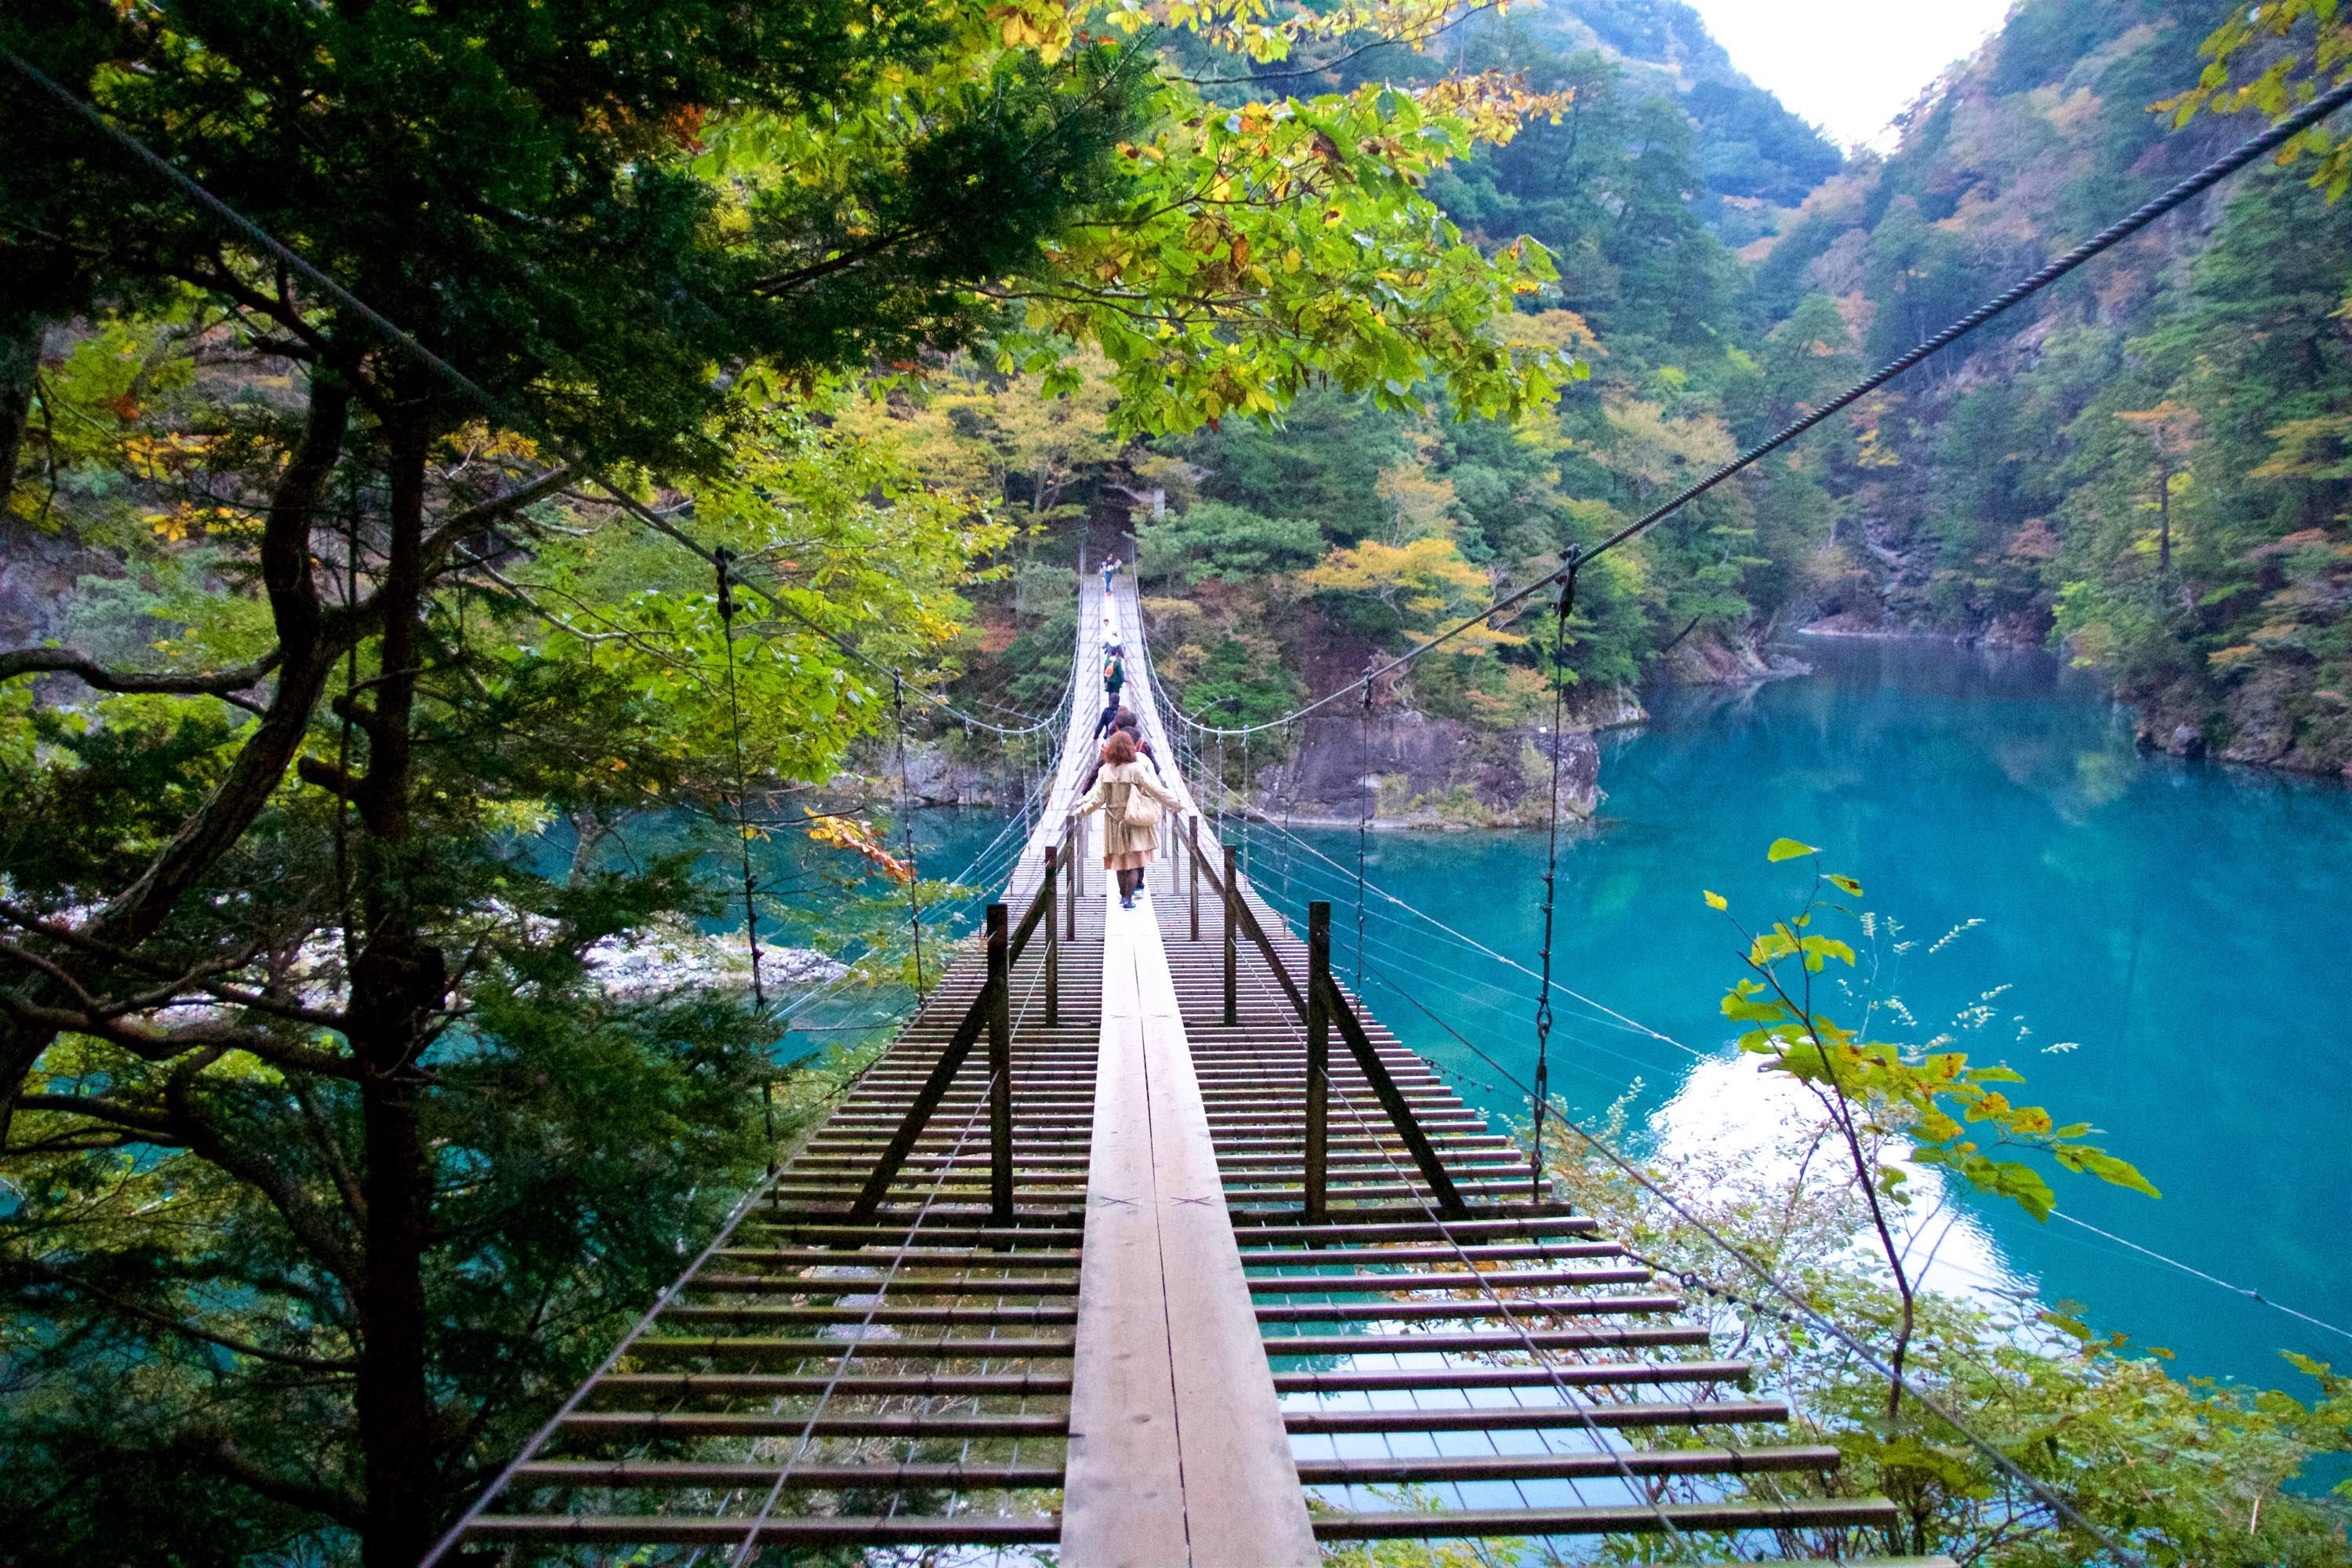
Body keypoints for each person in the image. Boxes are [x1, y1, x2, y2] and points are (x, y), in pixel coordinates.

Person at [1072, 728, 1182, 909]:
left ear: (1111, 748)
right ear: (1131, 748)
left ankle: (1123, 896)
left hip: (1113, 822)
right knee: (1133, 863)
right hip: (1134, 820)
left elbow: (1097, 800)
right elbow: (1155, 789)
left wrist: (1080, 811)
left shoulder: (1104, 771)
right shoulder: (1136, 769)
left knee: (1119, 863)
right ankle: (1128, 899)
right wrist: (1174, 803)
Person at [1079, 710, 1160, 792]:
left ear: (1117, 728)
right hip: (1141, 796)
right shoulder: (1143, 746)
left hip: (1117, 796)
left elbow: (1095, 771)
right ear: (1135, 726)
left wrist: (1084, 792)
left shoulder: (1109, 748)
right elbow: (1157, 770)